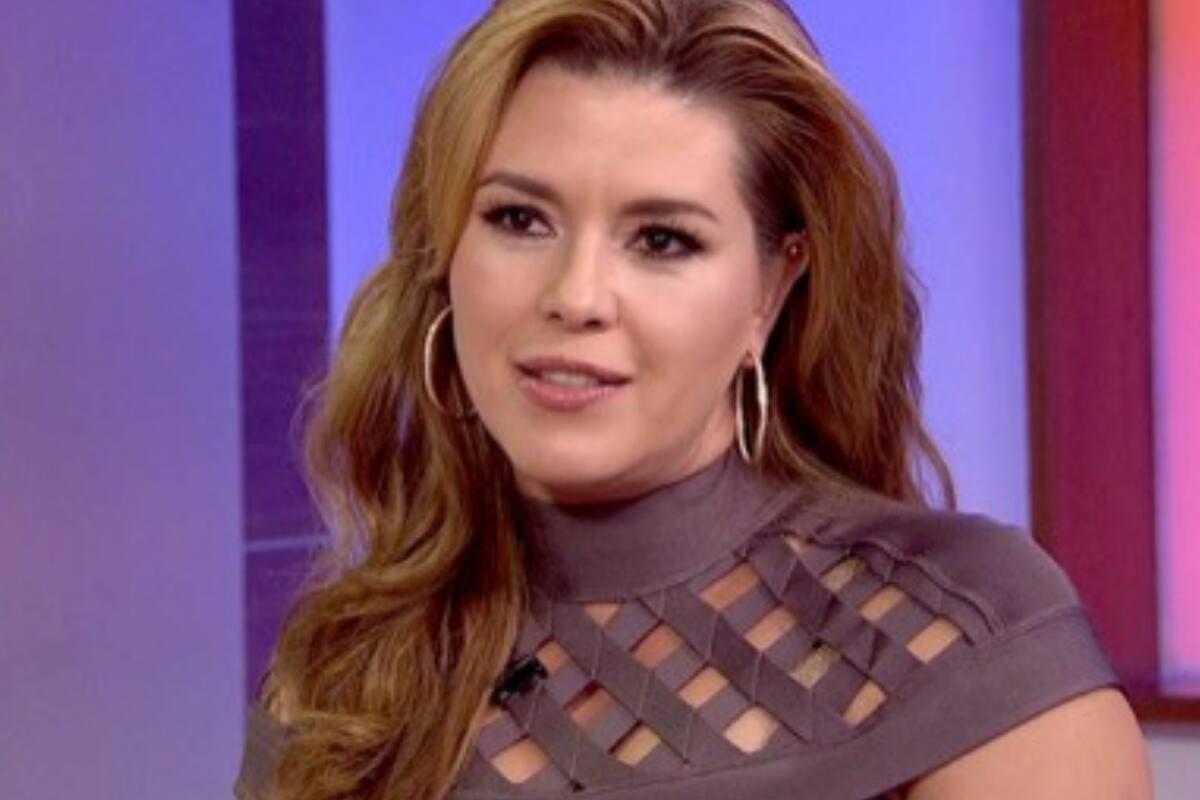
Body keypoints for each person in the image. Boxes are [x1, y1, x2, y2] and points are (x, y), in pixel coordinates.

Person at [234, 1, 1152, 798]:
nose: (576, 297)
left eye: (663, 240)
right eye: (519, 219)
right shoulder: (350, 673)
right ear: (444, 257)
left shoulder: (966, 636)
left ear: (771, 290)